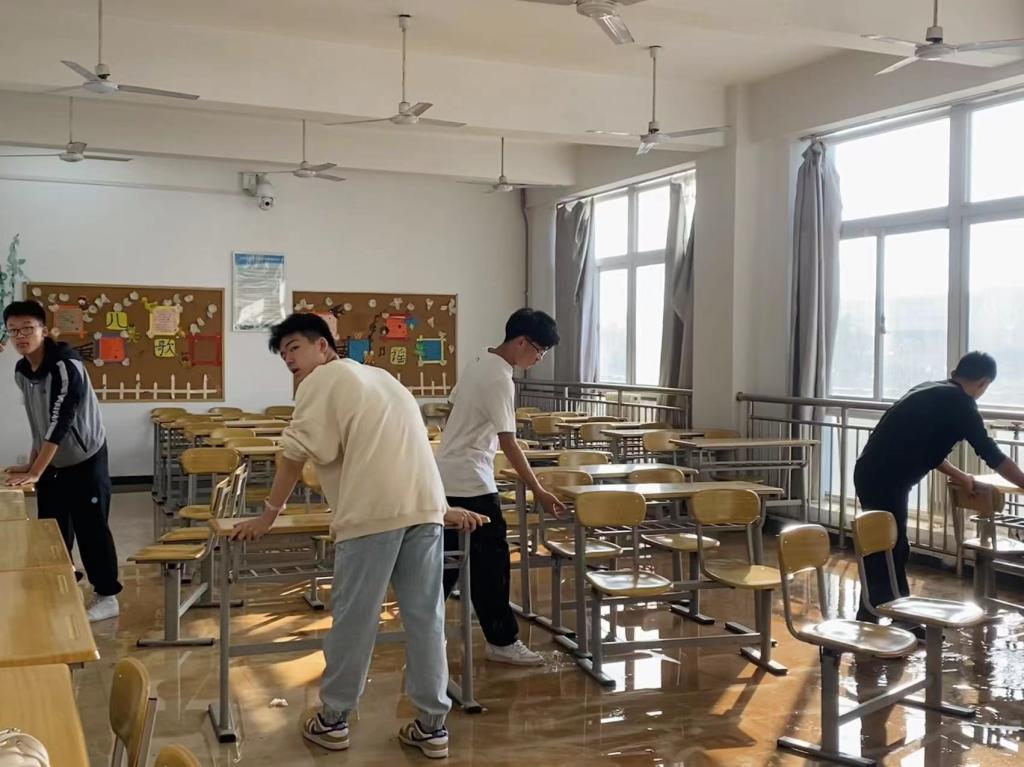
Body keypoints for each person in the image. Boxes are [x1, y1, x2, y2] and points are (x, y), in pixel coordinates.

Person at [229, 312, 485, 759]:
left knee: (356, 619)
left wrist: (268, 516)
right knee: (425, 619)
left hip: (373, 515)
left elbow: (293, 454)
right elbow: (409, 449)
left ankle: (333, 720)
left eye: (295, 347)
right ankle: (433, 727)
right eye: (283, 353)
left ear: (323, 346)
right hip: (422, 510)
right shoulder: (382, 378)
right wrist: (441, 508)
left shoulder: (321, 381)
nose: (289, 358)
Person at [434, 308, 566, 666]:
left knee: (446, 564)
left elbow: (452, 411)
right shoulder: (499, 379)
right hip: (471, 482)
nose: (539, 359)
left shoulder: (480, 361)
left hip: (448, 475)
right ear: (521, 342)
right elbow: (509, 442)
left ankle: (424, 636)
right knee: (490, 565)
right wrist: (538, 489)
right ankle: (502, 641)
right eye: (539, 350)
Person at [854, 351, 1024, 625]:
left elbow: (927, 450)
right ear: (983, 382)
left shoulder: (930, 389)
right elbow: (991, 454)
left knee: (887, 547)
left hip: (872, 473)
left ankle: (878, 615)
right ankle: (892, 618)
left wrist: (961, 475)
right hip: (885, 478)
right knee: (889, 548)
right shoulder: (961, 403)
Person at [3, 300, 123, 622]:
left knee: (91, 529)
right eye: (13, 330)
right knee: (52, 528)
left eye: (27, 328)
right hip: (54, 461)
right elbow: (38, 422)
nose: (20, 336)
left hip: (86, 457)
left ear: (44, 330)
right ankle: (64, 580)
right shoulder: (22, 371)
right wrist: (32, 465)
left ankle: (107, 595)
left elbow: (60, 421)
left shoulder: (65, 365)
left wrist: (36, 471)